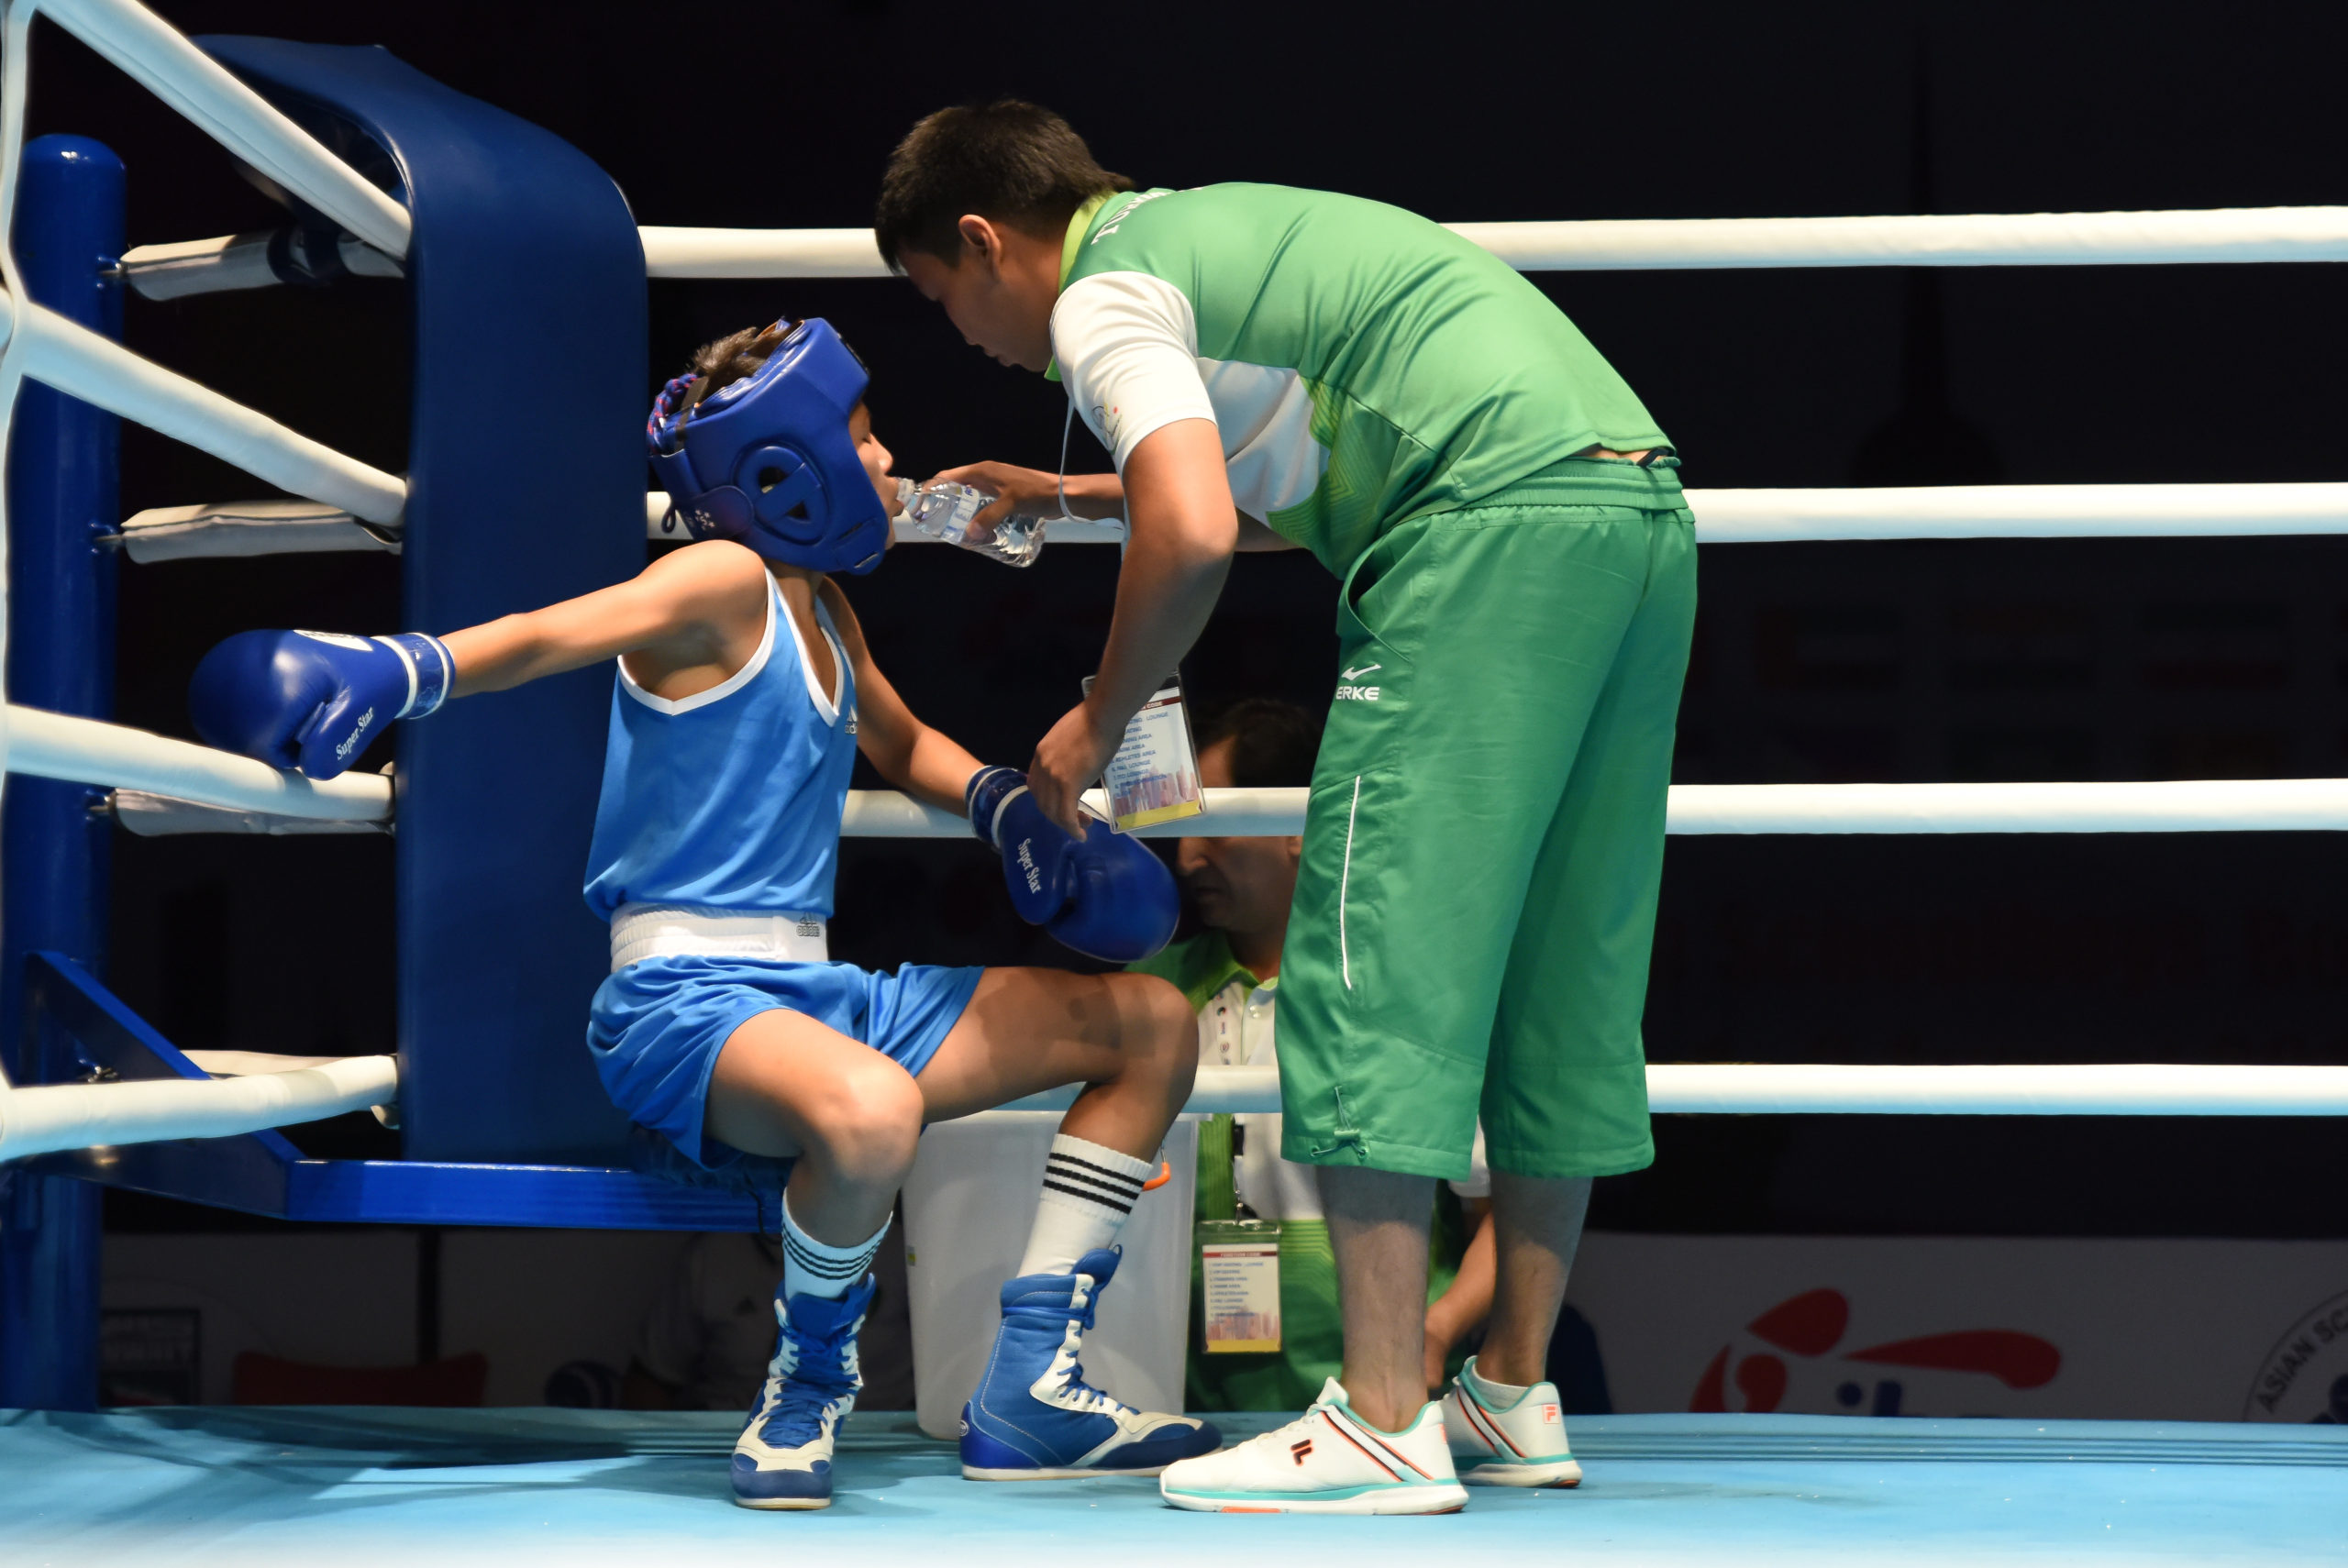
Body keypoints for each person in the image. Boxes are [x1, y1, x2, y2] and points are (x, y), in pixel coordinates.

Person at [183, 316, 1222, 1509]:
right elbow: (552, 632)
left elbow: (902, 740)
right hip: (683, 1001)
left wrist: (1005, 808)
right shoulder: (719, 578)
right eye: (867, 435)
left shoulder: (824, 607)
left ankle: (1032, 1383)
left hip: (820, 998)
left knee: (1150, 1022)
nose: (889, 461)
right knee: (874, 1109)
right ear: (786, 468)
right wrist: (393, 666)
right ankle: (807, 1382)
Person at [878, 103, 1694, 1512]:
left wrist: (1098, 716)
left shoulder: (1104, 294)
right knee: (1565, 960)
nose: (965, 337)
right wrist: (1074, 494)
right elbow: (1275, 497)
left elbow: (1188, 533)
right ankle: (1506, 1392)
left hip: (1482, 533)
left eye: (943, 300)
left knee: (1365, 955)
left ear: (983, 239)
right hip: (1629, 519)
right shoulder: (1217, 241)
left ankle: (1381, 1417)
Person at [1135, 698, 1501, 1415]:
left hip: (1377, 1411)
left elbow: (1503, 1214)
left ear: (1303, 827)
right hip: (1175, 1411)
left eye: (1215, 827)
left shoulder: (1401, 992)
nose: (1187, 856)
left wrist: (1436, 1331)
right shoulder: (1142, 999)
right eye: (1182, 829)